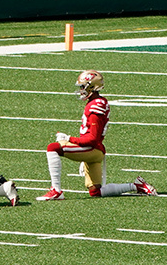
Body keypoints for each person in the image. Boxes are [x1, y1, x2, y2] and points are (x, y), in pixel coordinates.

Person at [36, 70, 158, 201]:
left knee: (53, 148)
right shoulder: (97, 102)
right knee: (96, 192)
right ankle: (136, 186)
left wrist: (69, 139)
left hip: (92, 149)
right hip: (95, 150)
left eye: (83, 86)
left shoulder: (96, 105)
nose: (81, 90)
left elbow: (92, 139)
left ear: (92, 86)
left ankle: (56, 190)